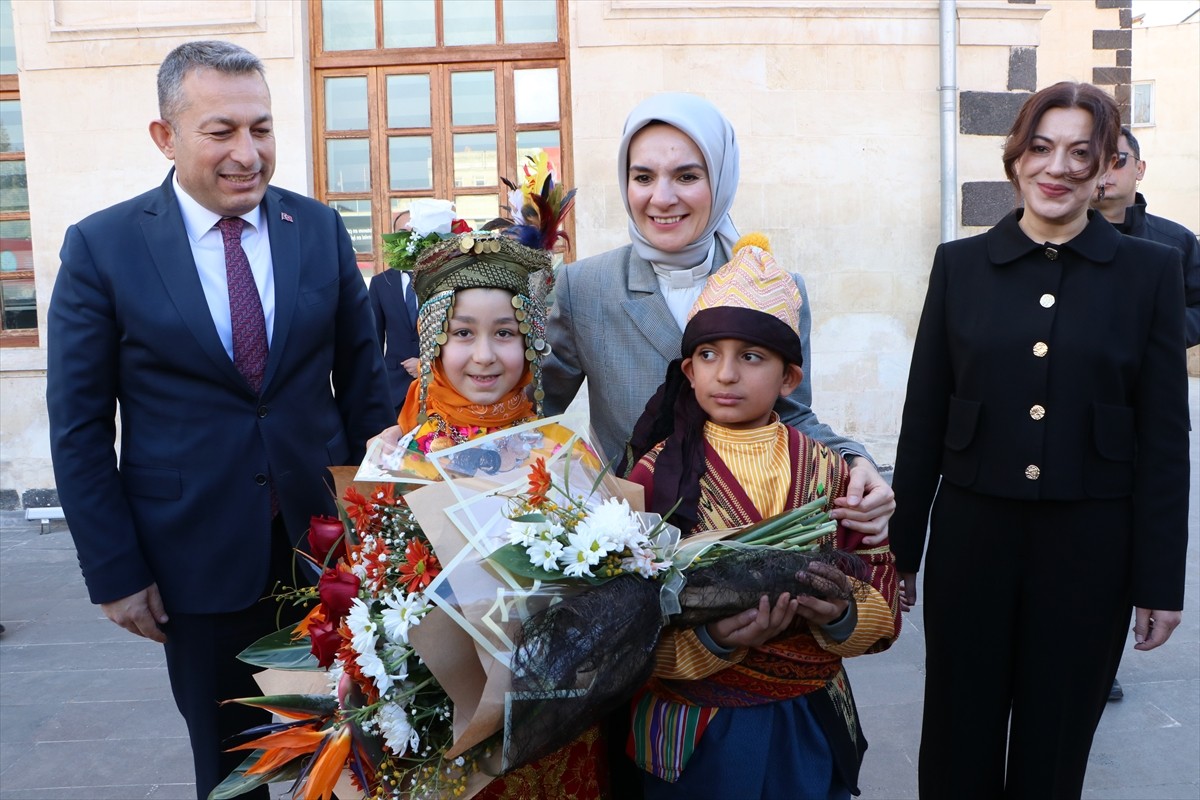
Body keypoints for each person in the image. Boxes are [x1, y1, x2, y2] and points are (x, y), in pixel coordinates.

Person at [44, 40, 394, 800]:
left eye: (261, 129)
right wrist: (115, 570)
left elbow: (369, 396)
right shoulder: (103, 248)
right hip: (192, 563)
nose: (249, 153)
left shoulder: (321, 230)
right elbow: (77, 427)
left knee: (364, 745)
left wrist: (394, 533)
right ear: (165, 137)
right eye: (222, 131)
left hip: (327, 551)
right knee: (233, 768)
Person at [890, 82, 1190, 799]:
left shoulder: (1150, 273)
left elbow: (1164, 439)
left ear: (1105, 167)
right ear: (1016, 158)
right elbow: (924, 415)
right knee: (959, 731)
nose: (1057, 168)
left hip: (1092, 545)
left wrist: (1159, 580)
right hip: (974, 536)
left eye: (1080, 153)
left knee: (1056, 741)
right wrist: (901, 548)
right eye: (1041, 148)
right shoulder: (960, 267)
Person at [540, 93, 894, 542]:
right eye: (643, 176)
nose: (661, 198)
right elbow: (533, 413)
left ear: (722, 177)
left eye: (687, 176)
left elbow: (793, 412)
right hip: (629, 545)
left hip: (749, 536)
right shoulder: (584, 288)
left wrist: (856, 460)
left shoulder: (776, 289)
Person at [621, 237, 901, 799]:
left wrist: (843, 610)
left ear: (788, 378)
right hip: (695, 732)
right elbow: (622, 629)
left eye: (750, 356)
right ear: (688, 370)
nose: (725, 374)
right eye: (708, 355)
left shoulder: (829, 472)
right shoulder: (652, 480)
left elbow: (884, 599)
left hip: (807, 719)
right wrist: (715, 639)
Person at [1093, 125, 1200, 347]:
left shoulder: (1178, 241)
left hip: (1153, 375)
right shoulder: (1058, 238)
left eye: (1118, 160)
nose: (1105, 170)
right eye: (1093, 160)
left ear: (1140, 168)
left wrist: (1157, 330)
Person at [368, 263, 420, 417]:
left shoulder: (440, 277)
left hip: (434, 383)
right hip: (394, 384)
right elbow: (374, 339)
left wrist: (426, 364)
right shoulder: (380, 282)